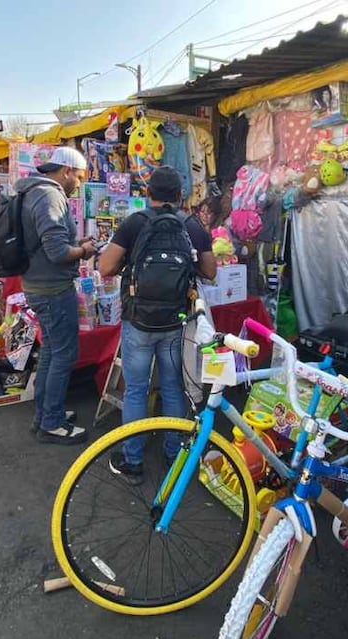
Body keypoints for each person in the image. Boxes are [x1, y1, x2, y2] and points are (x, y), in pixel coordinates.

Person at [98, 166, 216, 483]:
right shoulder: (191, 225)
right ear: (180, 195)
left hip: (138, 321)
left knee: (136, 390)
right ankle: (174, 455)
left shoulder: (134, 223)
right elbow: (210, 272)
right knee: (172, 387)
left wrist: (129, 261)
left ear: (147, 193)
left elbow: (105, 267)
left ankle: (133, 461)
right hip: (176, 321)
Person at [17, 146, 95, 445]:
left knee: (51, 350)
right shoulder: (49, 196)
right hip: (51, 288)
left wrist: (77, 243)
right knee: (64, 354)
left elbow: (49, 242)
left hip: (40, 284)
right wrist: (83, 250)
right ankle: (51, 423)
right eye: (79, 177)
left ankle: (46, 413)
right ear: (66, 171)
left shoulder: (34, 192)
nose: (79, 183)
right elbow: (58, 252)